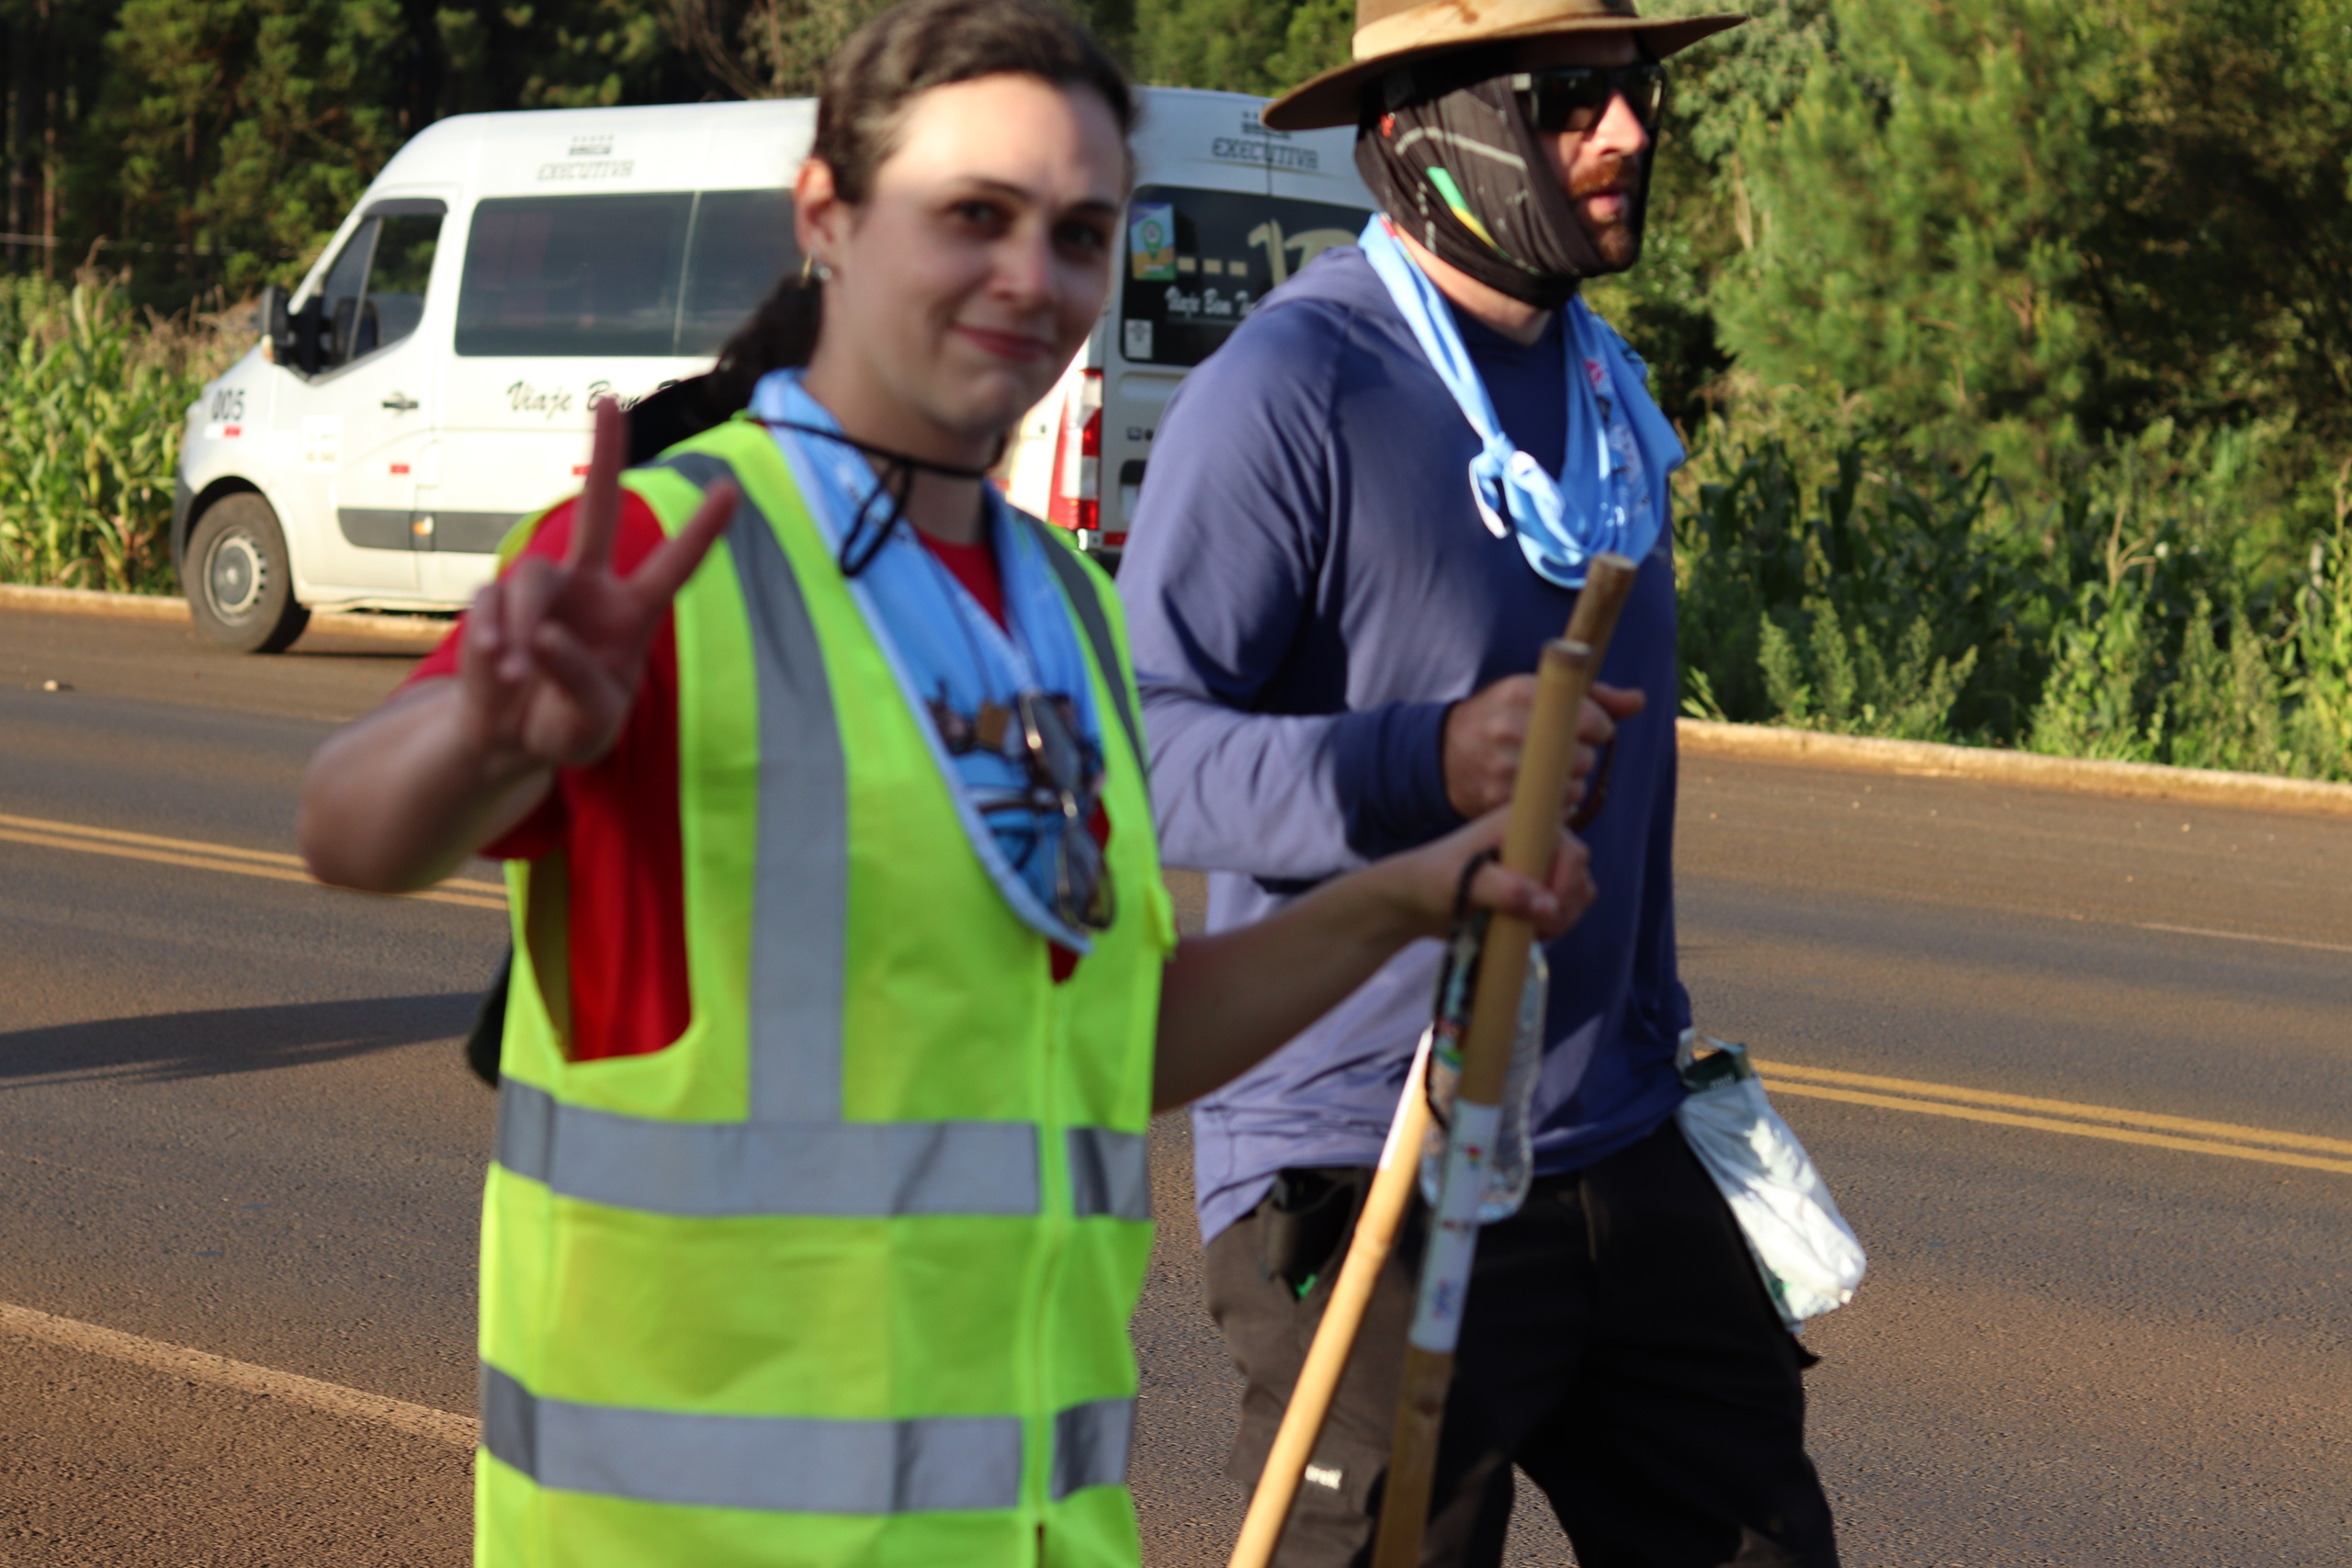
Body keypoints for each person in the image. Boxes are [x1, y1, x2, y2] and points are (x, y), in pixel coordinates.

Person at [296, 3, 1594, 1564]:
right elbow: (354, 829)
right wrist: (486, 730)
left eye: (1082, 233)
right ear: (828, 217)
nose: (1030, 279)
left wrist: (1406, 899)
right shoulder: (674, 549)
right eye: (972, 216)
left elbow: (1107, 1050)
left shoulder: (1064, 607)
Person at [1114, 0, 1844, 1563]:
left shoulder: (1608, 393)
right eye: (1573, 97)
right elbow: (1147, 747)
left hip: (1614, 1141)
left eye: (1637, 94)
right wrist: (1420, 759)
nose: (1631, 133)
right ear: (1419, 136)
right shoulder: (1292, 386)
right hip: (1366, 1155)